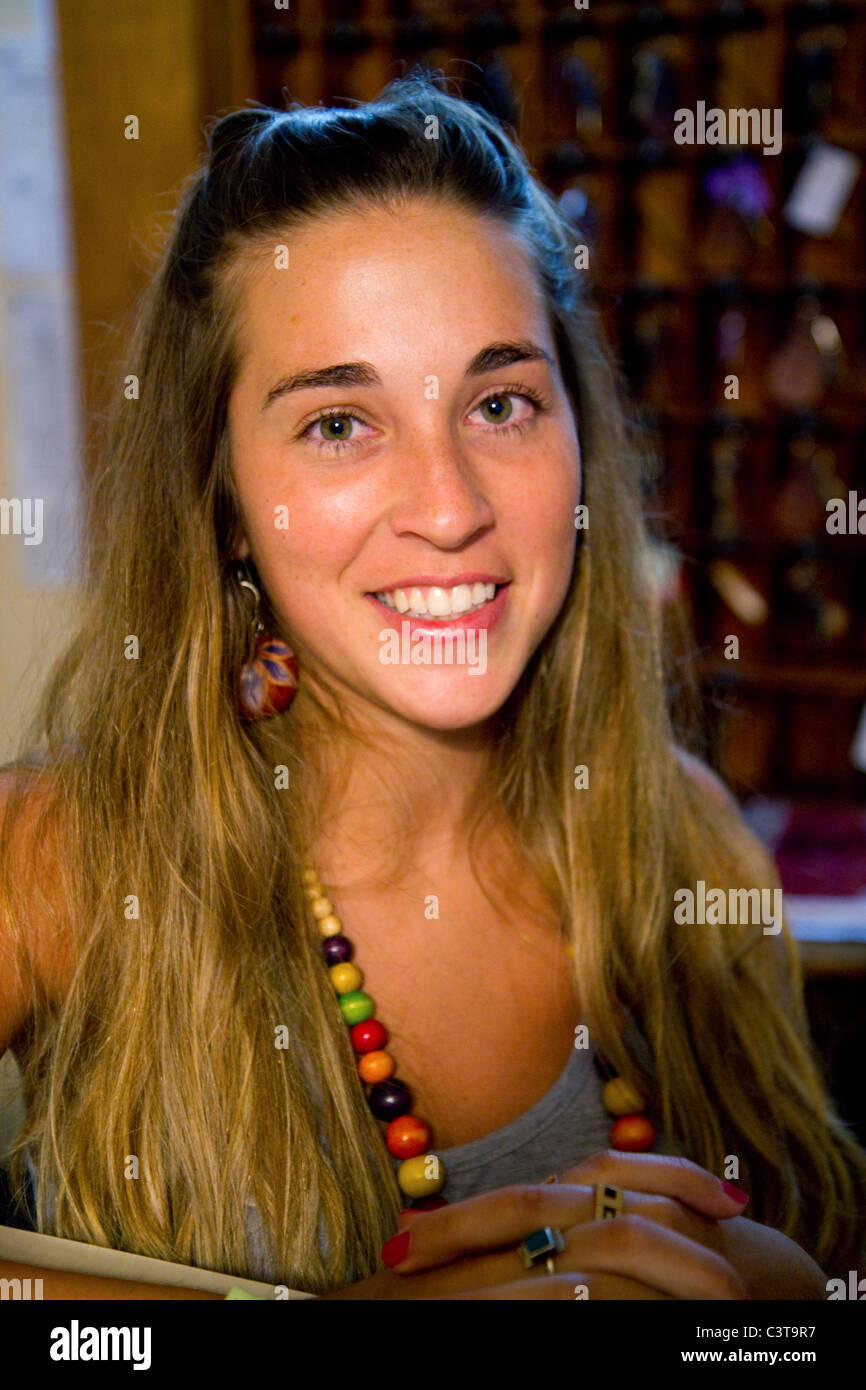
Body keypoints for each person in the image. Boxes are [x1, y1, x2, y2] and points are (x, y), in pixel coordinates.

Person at [0, 73, 863, 1301]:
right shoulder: (59, 861)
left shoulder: (688, 844)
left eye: (499, 402)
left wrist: (783, 1305)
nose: (451, 507)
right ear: (224, 500)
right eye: (339, 424)